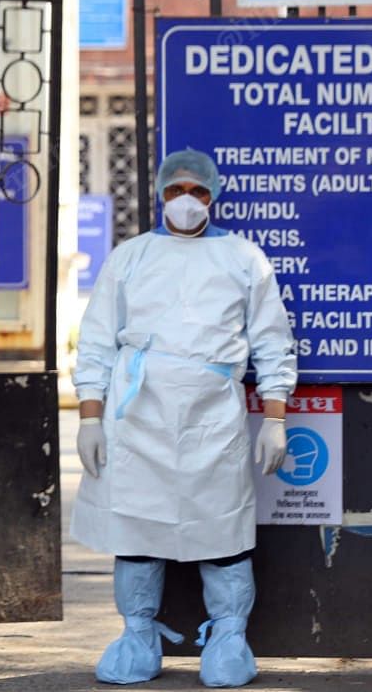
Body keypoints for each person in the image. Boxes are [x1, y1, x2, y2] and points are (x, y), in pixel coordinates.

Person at [71, 149, 297, 688]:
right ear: (160, 195)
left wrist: (275, 416)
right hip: (138, 420)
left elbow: (272, 342)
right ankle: (138, 638)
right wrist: (90, 416)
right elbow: (98, 342)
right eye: (177, 192)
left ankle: (228, 640)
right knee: (138, 531)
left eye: (198, 192)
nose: (187, 202)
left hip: (213, 420)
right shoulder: (131, 257)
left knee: (222, 532)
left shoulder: (244, 259)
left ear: (213, 197)